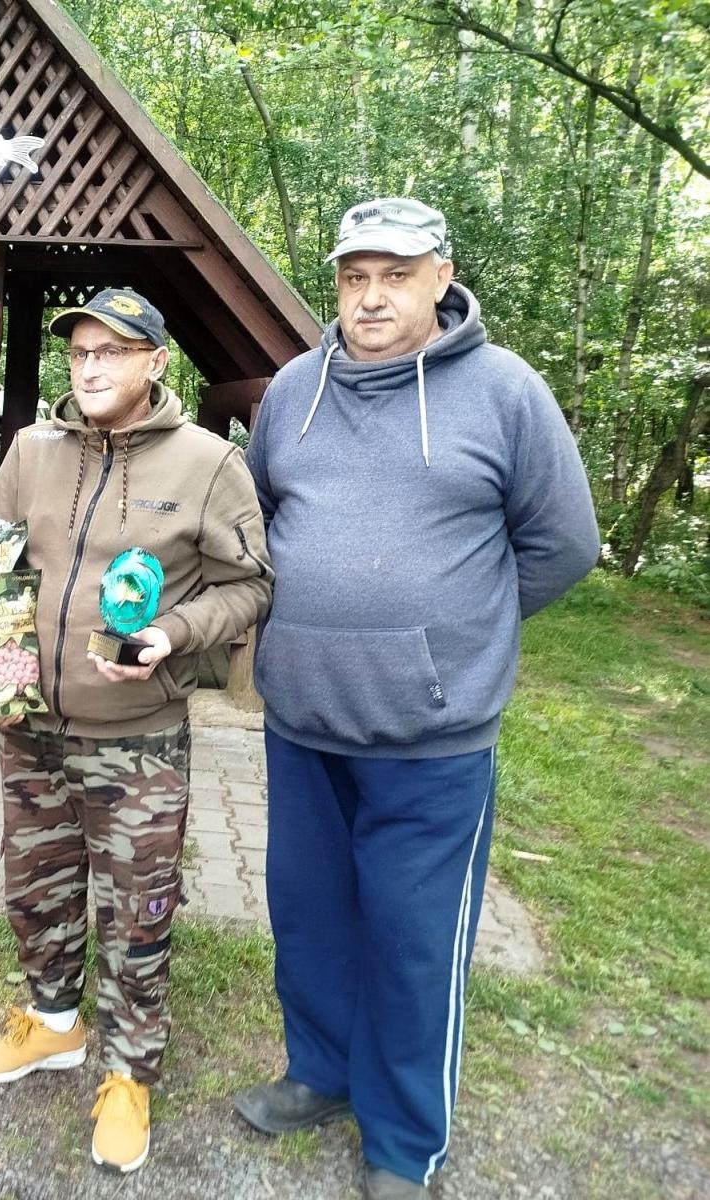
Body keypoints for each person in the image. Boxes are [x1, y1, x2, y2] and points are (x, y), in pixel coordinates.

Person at [236, 198, 599, 1199]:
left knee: (412, 940)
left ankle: (403, 1140)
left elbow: (563, 545)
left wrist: (458, 633)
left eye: (394, 275)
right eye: (354, 275)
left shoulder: (503, 393)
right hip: (303, 720)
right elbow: (263, 519)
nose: (370, 295)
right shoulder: (292, 393)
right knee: (309, 916)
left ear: (439, 278)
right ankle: (319, 1073)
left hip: (432, 737)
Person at [0, 289, 273, 1173]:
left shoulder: (209, 464)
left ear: (153, 363)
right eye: (81, 351)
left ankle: (129, 1072)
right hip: (31, 724)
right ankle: (53, 1026)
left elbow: (250, 584)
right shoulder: (28, 449)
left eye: (113, 350)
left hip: (137, 733)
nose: (92, 365)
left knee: (135, 910)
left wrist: (171, 635)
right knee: (37, 892)